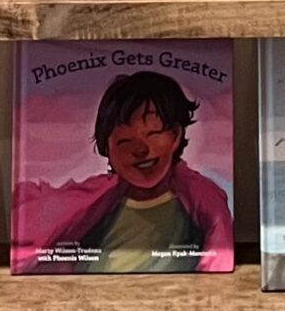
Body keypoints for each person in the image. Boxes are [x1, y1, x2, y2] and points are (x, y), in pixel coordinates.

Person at [25, 70, 234, 274]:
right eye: (124, 141)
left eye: (153, 133)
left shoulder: (200, 203)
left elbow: (217, 250)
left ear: (176, 136)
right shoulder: (93, 206)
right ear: (107, 148)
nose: (140, 150)